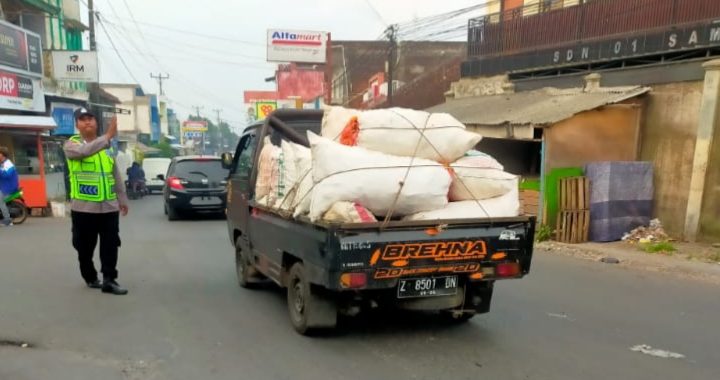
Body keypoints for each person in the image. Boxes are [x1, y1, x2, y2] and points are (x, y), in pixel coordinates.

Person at [63, 108, 129, 295]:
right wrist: (108, 135)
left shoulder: (107, 148)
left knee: (111, 244)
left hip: (108, 206)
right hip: (83, 208)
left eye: (90, 118)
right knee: (83, 247)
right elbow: (84, 152)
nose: (87, 122)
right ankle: (90, 276)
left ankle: (110, 279)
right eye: (82, 120)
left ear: (96, 122)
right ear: (77, 124)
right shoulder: (71, 145)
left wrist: (122, 198)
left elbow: (114, 173)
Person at [0, 146, 19, 227]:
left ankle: (7, 219)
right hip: (4, 186)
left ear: (2, 155)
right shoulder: (2, 163)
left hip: (9, 187)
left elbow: (6, 175)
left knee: (0, 201)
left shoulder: (8, 163)